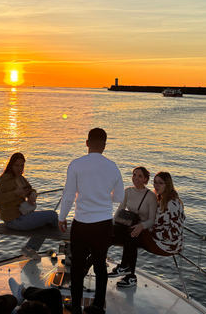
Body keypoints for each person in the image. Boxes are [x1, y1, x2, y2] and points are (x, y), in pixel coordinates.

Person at [58, 128, 125, 314]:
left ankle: (75, 305)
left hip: (81, 224)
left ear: (87, 143)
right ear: (105, 145)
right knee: (100, 264)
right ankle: (97, 306)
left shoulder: (76, 164)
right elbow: (119, 196)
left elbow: (69, 195)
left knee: (78, 266)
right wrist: (103, 197)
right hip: (103, 224)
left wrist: (61, 217)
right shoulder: (112, 167)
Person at [115, 171, 185, 288]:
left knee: (131, 233)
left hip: (168, 244)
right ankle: (127, 272)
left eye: (160, 183)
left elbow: (175, 232)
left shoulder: (172, 204)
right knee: (128, 231)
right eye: (155, 183)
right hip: (159, 238)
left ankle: (127, 271)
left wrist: (150, 231)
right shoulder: (160, 197)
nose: (156, 186)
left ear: (167, 184)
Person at [0, 152, 59, 260]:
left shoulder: (20, 178)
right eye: (17, 165)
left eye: (22, 165)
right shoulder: (4, 179)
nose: (20, 168)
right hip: (14, 220)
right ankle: (60, 235)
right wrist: (15, 193)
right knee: (52, 216)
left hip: (22, 215)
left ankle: (29, 248)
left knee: (46, 222)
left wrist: (33, 195)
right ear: (11, 165)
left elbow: (31, 189)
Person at [109, 167, 158, 286]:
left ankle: (128, 272)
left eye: (140, 176)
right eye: (134, 175)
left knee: (131, 235)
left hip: (144, 228)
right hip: (128, 226)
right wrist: (111, 225)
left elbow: (152, 220)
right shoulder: (128, 191)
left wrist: (141, 226)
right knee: (108, 234)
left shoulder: (150, 196)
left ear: (146, 179)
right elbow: (119, 210)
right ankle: (92, 261)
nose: (136, 178)